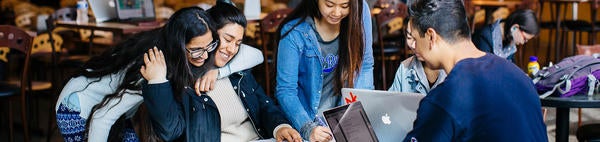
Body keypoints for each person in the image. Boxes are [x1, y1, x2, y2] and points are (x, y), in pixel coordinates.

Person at [54, 7, 250, 141]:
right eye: (197, 50)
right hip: (77, 107)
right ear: (179, 46)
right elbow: (101, 117)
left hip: (113, 106)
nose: (206, 55)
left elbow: (252, 54)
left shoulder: (172, 41)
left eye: (210, 46)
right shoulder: (150, 68)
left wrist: (217, 71)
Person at [140, 2, 302, 142]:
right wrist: (157, 81)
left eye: (238, 43)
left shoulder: (237, 70)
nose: (232, 49)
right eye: (228, 39)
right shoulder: (185, 79)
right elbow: (171, 131)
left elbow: (264, 106)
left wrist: (280, 127)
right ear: (209, 34)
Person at [403, 0, 547, 141]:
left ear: (431, 36)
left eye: (415, 38)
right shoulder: (521, 78)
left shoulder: (444, 99)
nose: (413, 46)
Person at [275, 0, 374, 141]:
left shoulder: (358, 10)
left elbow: (364, 65)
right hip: (307, 121)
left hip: (341, 120)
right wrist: (308, 128)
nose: (337, 12)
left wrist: (357, 114)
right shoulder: (295, 33)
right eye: (329, 5)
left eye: (345, 6)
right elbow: (286, 90)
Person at [388, 20, 446, 93]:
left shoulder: (452, 70)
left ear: (432, 36)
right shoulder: (405, 69)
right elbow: (391, 101)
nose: (413, 45)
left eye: (417, 38)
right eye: (409, 37)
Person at [471, 9, 539, 62]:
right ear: (515, 27)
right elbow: (484, 70)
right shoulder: (485, 37)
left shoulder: (509, 39)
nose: (523, 42)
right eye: (524, 38)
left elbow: (512, 67)